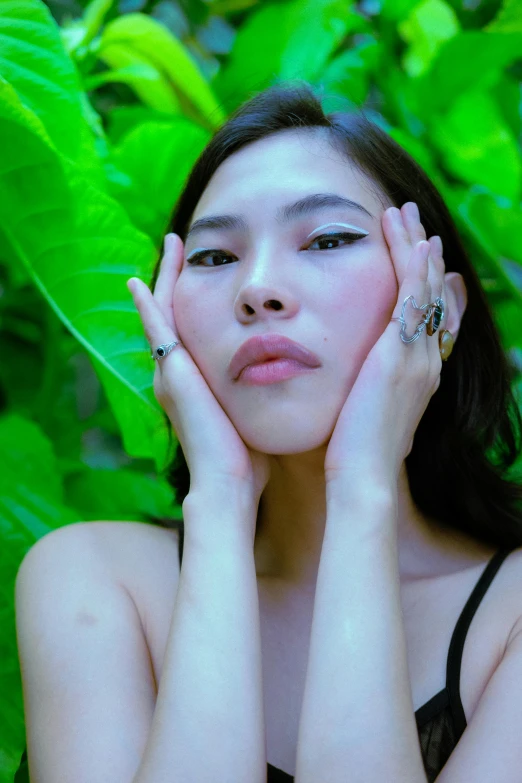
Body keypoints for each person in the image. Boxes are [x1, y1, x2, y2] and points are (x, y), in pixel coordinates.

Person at [15, 80, 522, 783]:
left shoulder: (512, 616)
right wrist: (221, 500)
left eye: (328, 239)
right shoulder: (96, 580)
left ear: (437, 306)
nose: (256, 287)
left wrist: (363, 488)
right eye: (215, 257)